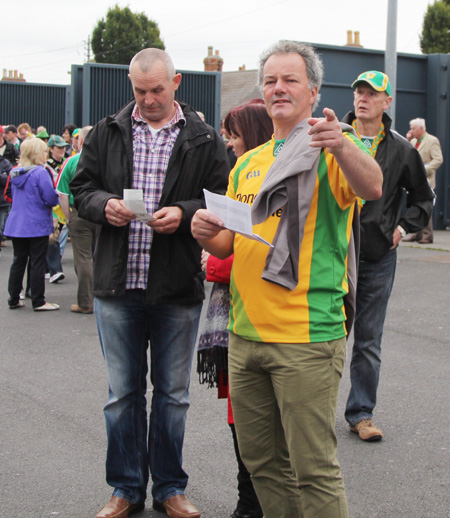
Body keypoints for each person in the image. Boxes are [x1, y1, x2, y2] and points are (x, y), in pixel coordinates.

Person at [191, 41, 383, 518]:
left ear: (313, 91)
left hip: (306, 337)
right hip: (245, 334)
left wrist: (340, 143)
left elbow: (373, 186)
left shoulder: (332, 145)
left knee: (313, 468)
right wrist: (205, 234)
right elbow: (232, 246)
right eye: (271, 80)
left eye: (290, 79)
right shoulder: (248, 162)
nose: (279, 88)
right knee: (261, 461)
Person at [71, 47, 229, 518]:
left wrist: (182, 214)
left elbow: (218, 199)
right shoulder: (108, 130)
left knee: (173, 396)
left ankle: (170, 489)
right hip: (117, 287)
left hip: (175, 286)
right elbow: (82, 189)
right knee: (122, 395)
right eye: (140, 91)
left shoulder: (203, 138)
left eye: (157, 90)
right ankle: (124, 489)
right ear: (130, 85)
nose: (148, 100)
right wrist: (104, 206)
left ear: (176, 83)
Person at [342, 71, 434, 441]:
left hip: (378, 256)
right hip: (334, 254)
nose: (362, 98)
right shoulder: (334, 139)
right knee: (327, 337)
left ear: (387, 102)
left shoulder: (401, 149)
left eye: (371, 93)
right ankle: (314, 414)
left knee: (367, 340)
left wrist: (401, 228)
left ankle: (361, 413)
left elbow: (423, 198)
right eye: (359, 92)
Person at [198, 98, 272, 518]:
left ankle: (252, 505)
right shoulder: (237, 175)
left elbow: (237, 257)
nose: (228, 143)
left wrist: (215, 257)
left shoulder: (262, 181)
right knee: (238, 417)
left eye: (235, 135)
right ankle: (249, 503)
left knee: (255, 424)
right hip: (235, 319)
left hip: (258, 321)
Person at [4, 138, 60, 311]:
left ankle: (14, 298)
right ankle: (38, 300)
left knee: (18, 260)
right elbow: (50, 198)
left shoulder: (15, 172)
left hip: (16, 223)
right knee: (37, 262)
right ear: (37, 154)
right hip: (36, 223)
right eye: (44, 151)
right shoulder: (40, 173)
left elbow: (10, 195)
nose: (46, 154)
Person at [56, 126, 96, 314]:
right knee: (102, 255)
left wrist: (68, 216)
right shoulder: (104, 160)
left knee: (83, 258)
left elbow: (62, 193)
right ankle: (103, 297)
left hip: (79, 211)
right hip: (102, 211)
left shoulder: (71, 162)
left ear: (80, 141)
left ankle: (85, 301)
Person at [403, 117, 443, 244]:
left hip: (426, 180)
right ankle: (416, 233)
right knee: (415, 204)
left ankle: (427, 235)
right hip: (414, 180)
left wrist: (425, 170)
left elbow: (438, 159)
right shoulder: (414, 141)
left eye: (414, 128)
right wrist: (408, 140)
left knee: (425, 206)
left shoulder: (432, 141)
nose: (411, 131)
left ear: (421, 128)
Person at [46, 135, 67, 284]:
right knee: (53, 238)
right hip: (53, 206)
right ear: (51, 149)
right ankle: (54, 269)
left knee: (58, 238)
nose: (62, 150)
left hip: (64, 206)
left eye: (64, 147)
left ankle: (51, 267)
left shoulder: (66, 162)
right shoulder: (47, 166)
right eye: (59, 147)